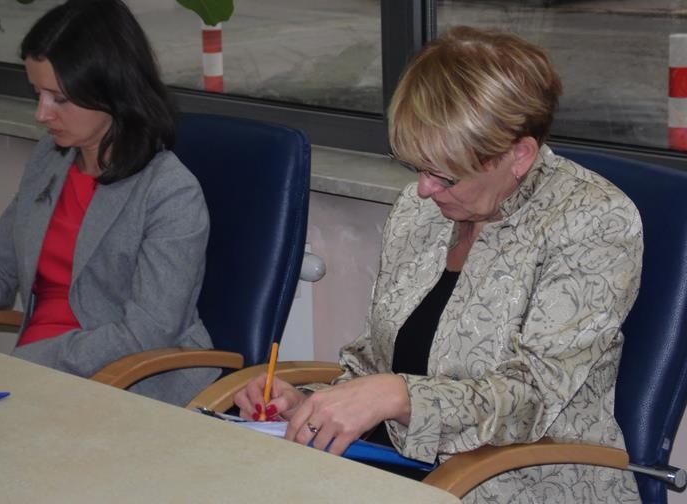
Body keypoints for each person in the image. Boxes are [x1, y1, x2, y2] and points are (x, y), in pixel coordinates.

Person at [234, 26, 643, 502]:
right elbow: (373, 361)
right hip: (394, 471)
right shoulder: (419, 211)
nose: (424, 189)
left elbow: (531, 398)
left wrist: (398, 396)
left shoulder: (593, 220)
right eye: (418, 168)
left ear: (519, 155)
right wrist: (312, 407)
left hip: (521, 483)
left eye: (445, 175)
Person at [0, 0, 218, 406]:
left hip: (129, 386)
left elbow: (147, 333)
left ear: (112, 89)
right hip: (39, 375)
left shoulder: (169, 192)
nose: (42, 114)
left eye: (59, 98)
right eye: (37, 93)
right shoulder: (51, 159)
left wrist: (34, 361)